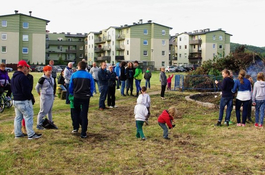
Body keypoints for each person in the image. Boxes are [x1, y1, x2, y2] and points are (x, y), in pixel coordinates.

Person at [11, 60, 42, 139]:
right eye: (26, 67)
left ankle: (18, 134)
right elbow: (26, 90)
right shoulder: (23, 77)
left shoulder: (14, 77)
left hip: (15, 100)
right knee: (28, 116)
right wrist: (30, 98)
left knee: (18, 117)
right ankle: (31, 134)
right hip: (23, 100)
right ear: (24, 67)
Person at [69, 61, 94, 138]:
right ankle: (83, 132)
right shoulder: (89, 75)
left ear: (79, 66)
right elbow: (92, 86)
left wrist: (72, 94)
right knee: (84, 114)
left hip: (76, 96)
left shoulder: (74, 75)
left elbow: (70, 86)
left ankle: (76, 127)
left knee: (76, 112)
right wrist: (90, 94)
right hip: (85, 97)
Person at [35, 66, 58, 130]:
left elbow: (53, 86)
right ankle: (39, 124)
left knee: (49, 110)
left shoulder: (52, 78)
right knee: (42, 111)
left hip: (51, 95)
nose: (50, 72)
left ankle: (50, 122)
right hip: (45, 96)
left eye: (50, 70)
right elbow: (37, 87)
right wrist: (39, 93)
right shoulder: (42, 79)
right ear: (45, 71)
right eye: (48, 70)